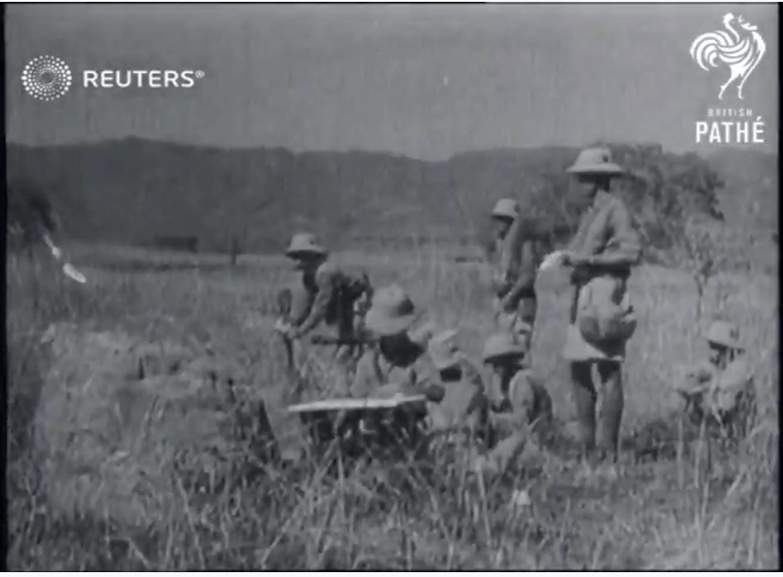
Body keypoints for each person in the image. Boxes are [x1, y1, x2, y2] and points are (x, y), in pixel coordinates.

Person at [559, 147, 642, 471]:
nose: (578, 184)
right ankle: (588, 447)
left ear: (598, 179)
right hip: (584, 294)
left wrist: (589, 261)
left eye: (583, 178)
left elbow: (631, 253)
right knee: (579, 368)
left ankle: (606, 450)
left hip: (605, 293)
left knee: (607, 368)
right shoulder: (591, 213)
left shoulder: (616, 210)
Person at [278, 233, 373, 386]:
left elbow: (321, 306)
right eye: (296, 257)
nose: (299, 261)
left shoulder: (325, 272)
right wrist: (292, 322)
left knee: (349, 336)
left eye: (302, 256)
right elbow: (308, 301)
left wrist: (301, 331)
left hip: (357, 296)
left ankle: (352, 371)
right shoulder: (309, 275)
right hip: (341, 297)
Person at [676, 320, 756, 439]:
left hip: (733, 434)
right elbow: (691, 373)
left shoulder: (739, 369)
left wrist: (699, 391)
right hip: (716, 431)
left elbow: (724, 405)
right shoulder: (718, 366)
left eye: (718, 348)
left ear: (730, 350)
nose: (714, 353)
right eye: (712, 346)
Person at [490, 198, 542, 354]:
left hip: (520, 306)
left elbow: (528, 276)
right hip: (506, 306)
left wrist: (512, 295)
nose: (499, 223)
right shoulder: (501, 243)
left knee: (519, 351)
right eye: (498, 219)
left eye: (503, 219)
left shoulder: (525, 242)